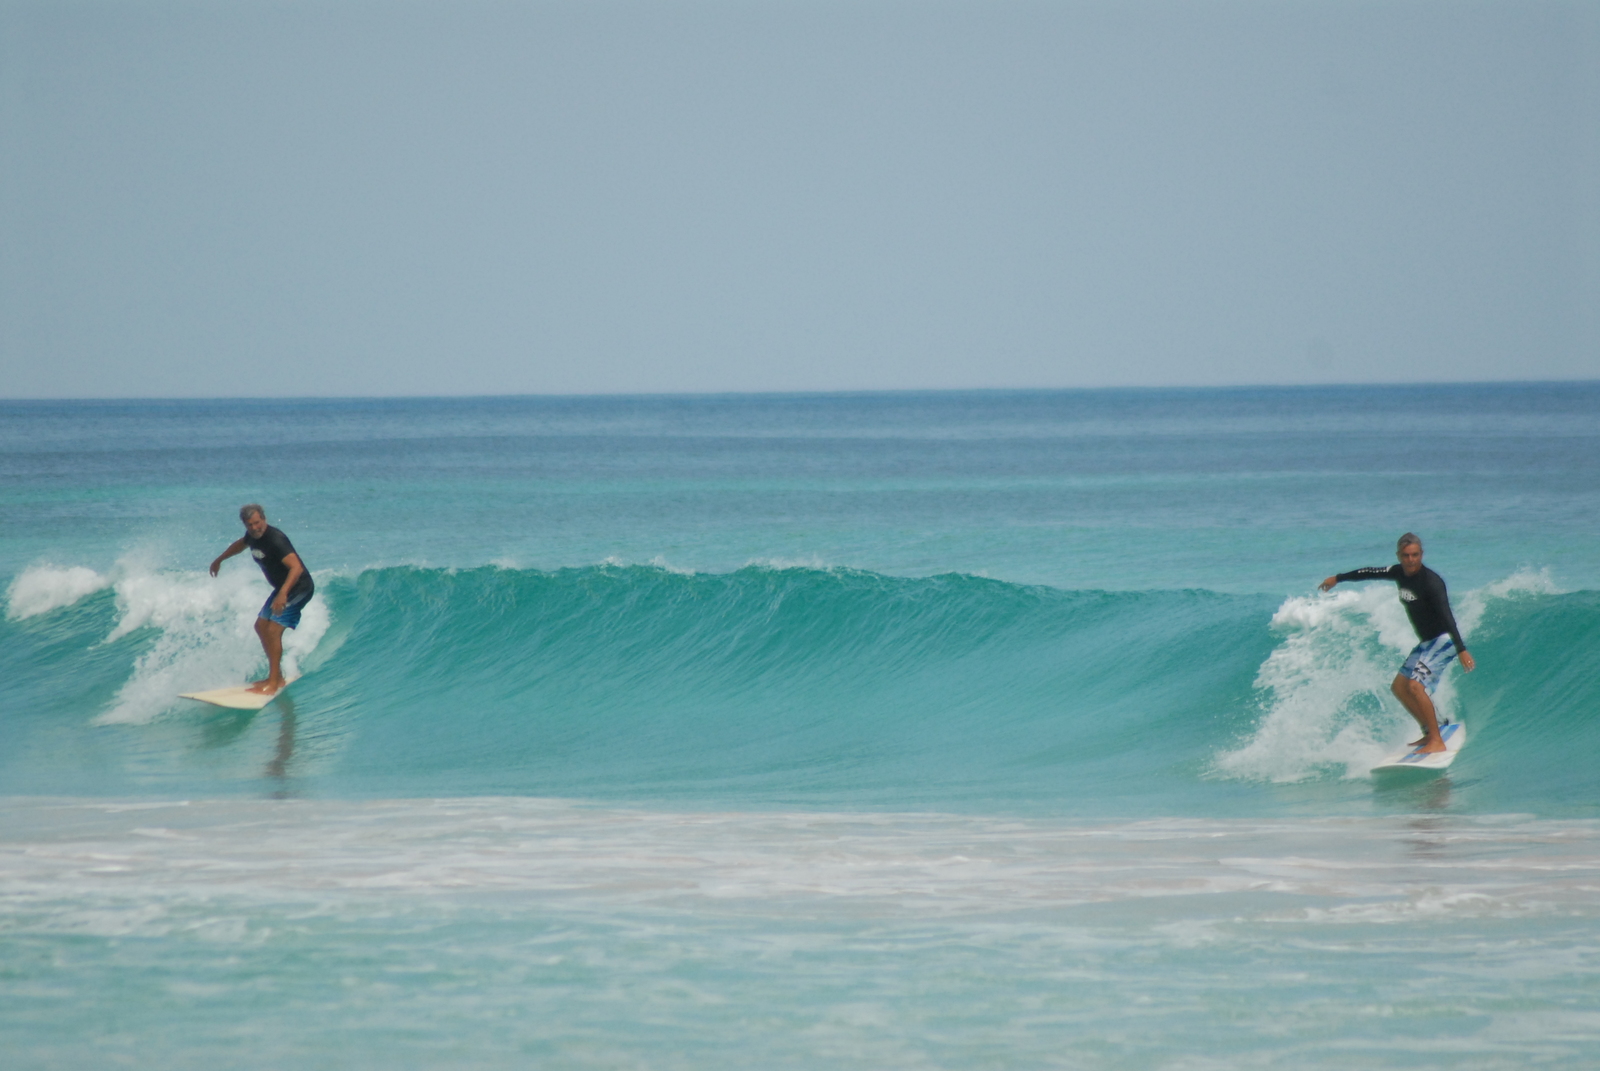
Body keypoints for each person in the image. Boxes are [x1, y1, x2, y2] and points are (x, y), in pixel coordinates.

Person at [1319, 533, 1475, 753]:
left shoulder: (1432, 582)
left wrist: (1462, 649)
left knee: (1415, 686)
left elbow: (1447, 616)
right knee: (1399, 688)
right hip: (1426, 642)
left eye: (1415, 555)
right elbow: (1368, 572)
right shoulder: (1398, 572)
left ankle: (1437, 742)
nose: (1411, 560)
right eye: (1406, 556)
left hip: (1443, 640)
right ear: (1399, 556)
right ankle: (1430, 731)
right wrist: (1338, 578)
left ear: (1421, 554)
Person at [210, 504, 315, 695]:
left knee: (273, 630)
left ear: (264, 519)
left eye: (257, 523)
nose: (255, 528)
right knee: (260, 626)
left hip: (299, 587)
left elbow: (296, 567)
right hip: (282, 588)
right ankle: (277, 677)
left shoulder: (276, 539)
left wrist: (282, 594)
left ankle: (274, 683)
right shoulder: (252, 536)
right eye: (250, 525)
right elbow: (240, 545)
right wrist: (220, 559)